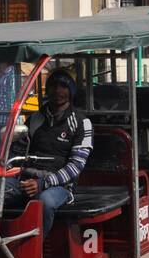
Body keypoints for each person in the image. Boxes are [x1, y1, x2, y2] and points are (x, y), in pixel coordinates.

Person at [16, 69, 93, 238]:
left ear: (71, 91)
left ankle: (35, 251)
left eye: (63, 86)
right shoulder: (35, 119)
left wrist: (43, 183)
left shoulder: (81, 122)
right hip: (26, 180)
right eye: (53, 86)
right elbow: (17, 153)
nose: (58, 91)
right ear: (47, 89)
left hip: (60, 186)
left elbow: (76, 166)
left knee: (45, 201)